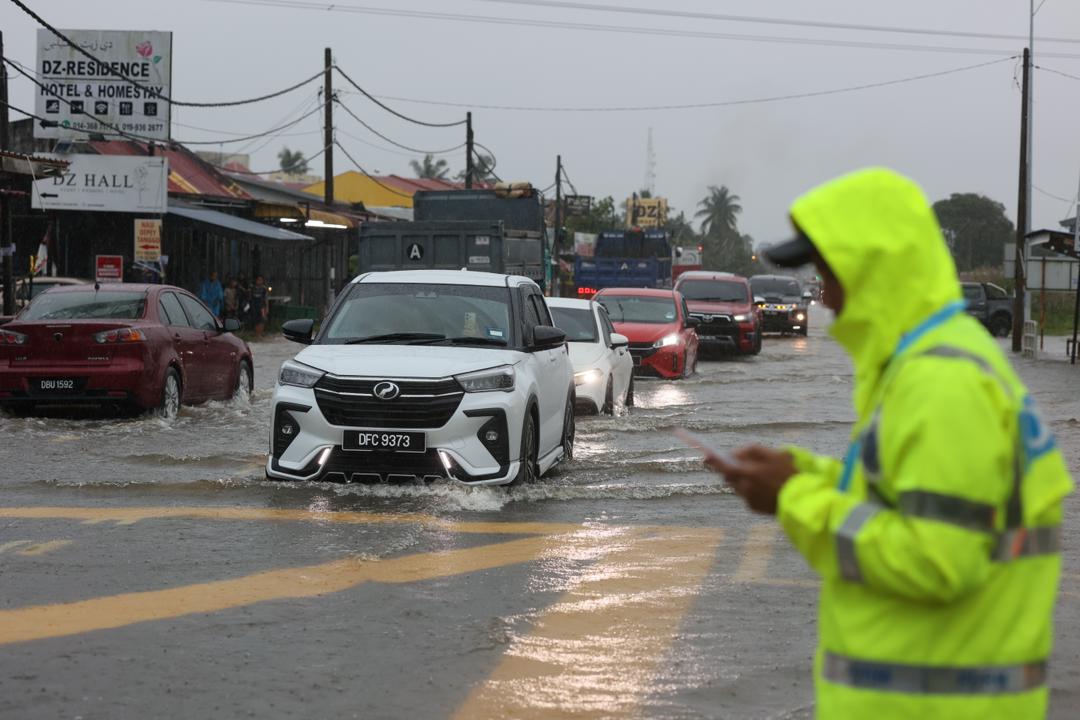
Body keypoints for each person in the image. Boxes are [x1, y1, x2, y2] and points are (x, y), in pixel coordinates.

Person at [708, 168, 1072, 719]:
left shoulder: (941, 384)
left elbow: (935, 560)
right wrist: (802, 473)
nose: (824, 297)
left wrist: (792, 499)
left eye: (829, 274)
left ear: (872, 271)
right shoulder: (933, 363)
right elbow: (903, 501)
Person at [249, 274, 269, 340]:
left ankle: (260, 333)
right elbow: (250, 297)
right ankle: (257, 334)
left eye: (261, 280)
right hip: (254, 306)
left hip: (262, 306)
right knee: (255, 320)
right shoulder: (252, 288)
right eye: (258, 280)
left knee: (262, 320)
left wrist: (267, 308)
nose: (259, 281)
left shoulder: (264, 289)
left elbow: (266, 299)